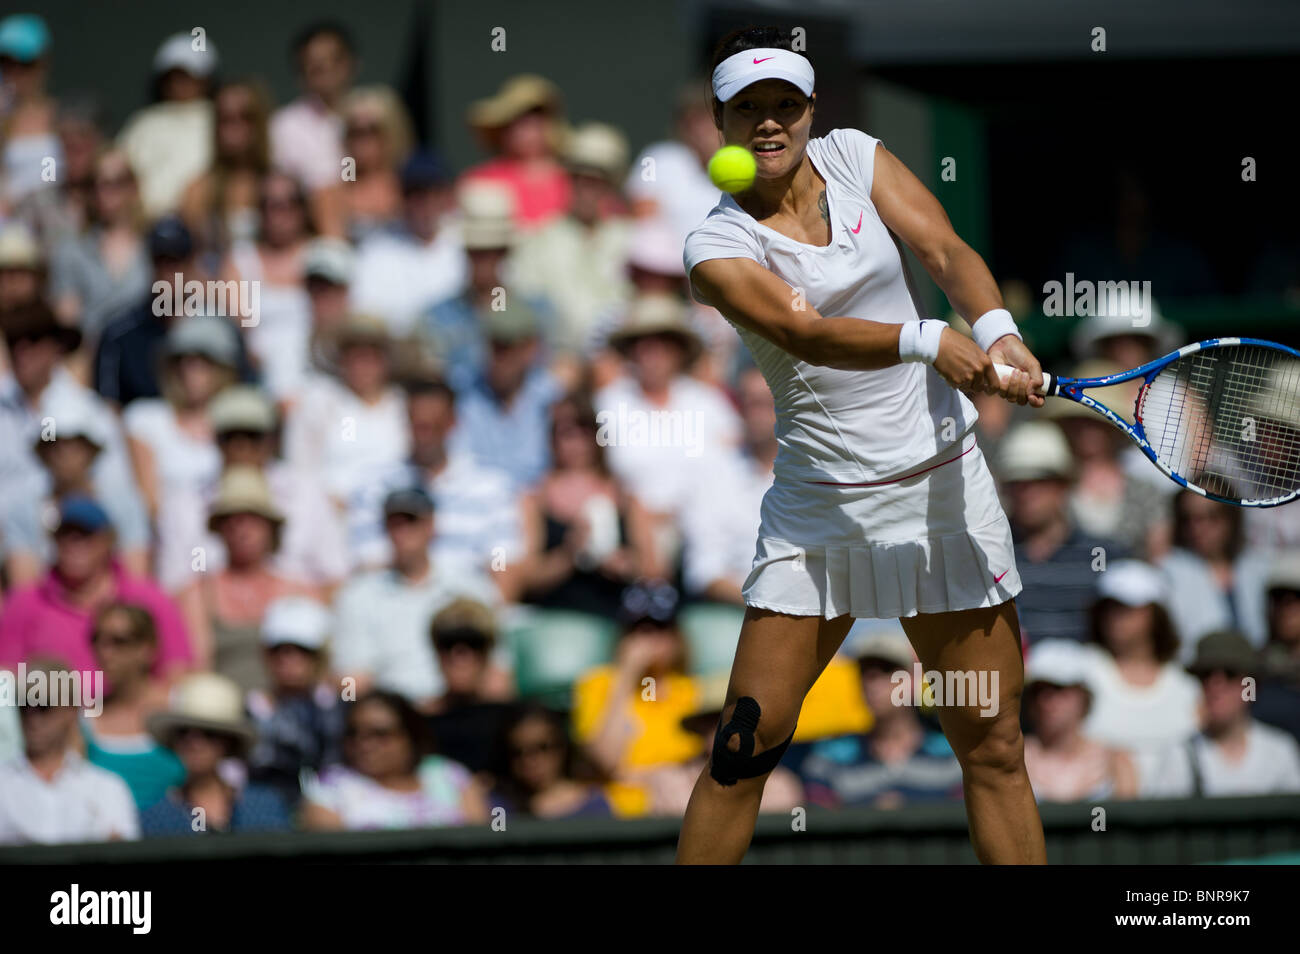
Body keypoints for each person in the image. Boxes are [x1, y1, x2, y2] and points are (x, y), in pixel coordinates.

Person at [676, 26, 1046, 865]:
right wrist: (927, 341)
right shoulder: (715, 246)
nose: (768, 124)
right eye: (748, 110)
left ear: (811, 111)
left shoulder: (854, 155)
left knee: (991, 744)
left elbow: (943, 248)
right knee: (744, 749)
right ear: (721, 122)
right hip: (823, 519)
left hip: (940, 499)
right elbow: (803, 333)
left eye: (784, 106)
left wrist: (998, 333)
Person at [158, 384, 348, 594]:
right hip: (214, 615)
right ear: (215, 440)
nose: (241, 447)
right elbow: (179, 583)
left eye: (252, 436)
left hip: (293, 612)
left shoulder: (305, 494)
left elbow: (333, 575)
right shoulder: (187, 503)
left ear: (271, 440)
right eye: (230, 437)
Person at [330, 487, 504, 707]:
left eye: (411, 521)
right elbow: (349, 683)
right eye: (394, 523)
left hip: (459, 710)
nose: (402, 532)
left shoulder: (474, 587)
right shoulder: (357, 595)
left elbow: (497, 674)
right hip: (392, 718)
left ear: (431, 526)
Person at [353, 377, 524, 592]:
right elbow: (368, 562)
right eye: (417, 426)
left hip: (465, 605)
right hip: (395, 602)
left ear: (452, 423)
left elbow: (502, 560)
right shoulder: (376, 486)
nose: (424, 437)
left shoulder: (489, 488)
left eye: (432, 427)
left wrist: (490, 597)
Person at [0, 496, 193, 678]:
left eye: (85, 534)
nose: (74, 542)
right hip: (51, 709)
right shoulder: (26, 602)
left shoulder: (149, 598)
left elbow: (176, 673)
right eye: (65, 534)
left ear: (108, 540)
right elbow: (5, 679)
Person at [516, 392, 661, 619]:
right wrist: (570, 553)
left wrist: (625, 566)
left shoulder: (626, 496)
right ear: (552, 439)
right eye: (566, 434)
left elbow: (654, 570)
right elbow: (524, 578)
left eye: (584, 432)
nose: (576, 443)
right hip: (558, 615)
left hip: (617, 614)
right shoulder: (534, 499)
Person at [175, 466, 319, 692]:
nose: (241, 530)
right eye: (232, 520)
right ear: (219, 529)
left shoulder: (299, 591)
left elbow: (315, 668)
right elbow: (196, 668)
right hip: (221, 714)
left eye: (252, 519)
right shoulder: (197, 593)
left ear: (270, 528)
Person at [571, 582, 703, 817]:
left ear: (675, 638)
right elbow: (605, 760)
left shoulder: (689, 691)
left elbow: (700, 765)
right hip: (617, 810)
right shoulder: (598, 684)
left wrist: (641, 775)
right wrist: (627, 674)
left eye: (659, 628)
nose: (649, 639)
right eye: (639, 629)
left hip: (681, 801)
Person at [796, 632, 963, 809]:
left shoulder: (953, 754)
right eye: (864, 671)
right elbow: (815, 825)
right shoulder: (828, 758)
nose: (872, 682)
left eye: (886, 669)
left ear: (913, 678)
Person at [1, 387, 150, 586]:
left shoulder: (124, 505)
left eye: (74, 444)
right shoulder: (24, 508)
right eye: (56, 444)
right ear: (43, 452)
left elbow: (135, 582)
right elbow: (24, 589)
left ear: (92, 451)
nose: (65, 454)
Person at [998, 421, 1128, 646]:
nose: (1027, 493)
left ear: (1064, 484)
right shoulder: (987, 556)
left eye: (1039, 480)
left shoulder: (1106, 555)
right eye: (1017, 482)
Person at [511, 122, 634, 356]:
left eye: (597, 180)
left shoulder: (632, 239)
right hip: (558, 365)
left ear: (611, 185)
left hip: (623, 365)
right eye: (579, 178)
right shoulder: (537, 240)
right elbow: (529, 311)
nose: (586, 188)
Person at [1139, 630, 1300, 797]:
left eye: (1229, 674)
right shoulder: (1179, 757)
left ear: (1251, 687)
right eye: (1205, 675)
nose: (1215, 686)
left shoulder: (1280, 753)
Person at [300, 690, 488, 830]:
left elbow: (480, 840)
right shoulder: (329, 789)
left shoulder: (450, 776)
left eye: (380, 734)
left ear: (411, 737)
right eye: (353, 733)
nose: (363, 744)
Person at [0, 658, 139, 844]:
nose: (32, 717)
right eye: (24, 706)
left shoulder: (108, 789)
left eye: (43, 706)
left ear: (71, 711)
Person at [140, 672, 292, 836]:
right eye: (184, 732)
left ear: (227, 741)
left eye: (208, 733)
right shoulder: (156, 818)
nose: (194, 743)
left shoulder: (265, 806)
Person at [284, 313, 409, 507]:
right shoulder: (322, 401)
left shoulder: (402, 406)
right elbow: (300, 468)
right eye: (353, 356)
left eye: (369, 357)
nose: (361, 366)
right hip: (332, 514)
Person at [123, 314, 238, 523]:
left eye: (202, 361)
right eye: (181, 361)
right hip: (170, 539)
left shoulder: (238, 424)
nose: (189, 371)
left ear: (222, 369)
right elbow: (149, 503)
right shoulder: (145, 419)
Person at [677, 365, 777, 605]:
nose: (755, 414)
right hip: (739, 607)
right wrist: (767, 605)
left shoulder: (814, 472)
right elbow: (704, 569)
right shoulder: (714, 472)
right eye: (748, 403)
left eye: (765, 403)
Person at [1079, 560, 1199, 754]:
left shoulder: (1186, 685)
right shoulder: (1080, 672)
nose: (1114, 616)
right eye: (1108, 607)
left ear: (1155, 614)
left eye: (1127, 607)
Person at [645, 672, 803, 816]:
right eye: (717, 719)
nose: (728, 728)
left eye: (738, 719)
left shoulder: (780, 784)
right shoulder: (669, 779)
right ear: (701, 726)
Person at [445, 301, 562, 491]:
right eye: (493, 345)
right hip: (475, 502)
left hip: (536, 503)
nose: (499, 357)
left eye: (508, 346)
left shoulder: (553, 396)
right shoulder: (460, 393)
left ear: (531, 348)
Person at [349, 150, 466, 338]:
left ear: (447, 195)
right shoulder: (376, 251)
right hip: (400, 357)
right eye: (416, 193)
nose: (426, 202)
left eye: (434, 191)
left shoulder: (467, 242)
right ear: (401, 197)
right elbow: (366, 317)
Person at [80, 604, 185, 811]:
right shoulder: (84, 718)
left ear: (147, 650)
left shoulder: (181, 707)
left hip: (174, 838)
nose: (104, 652)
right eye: (97, 640)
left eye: (118, 642)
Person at [245, 596, 345, 807]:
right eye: (279, 649)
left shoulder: (340, 709)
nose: (288, 658)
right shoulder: (247, 710)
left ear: (319, 656)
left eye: (302, 650)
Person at [49, 147, 152, 344]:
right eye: (96, 184)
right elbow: (67, 322)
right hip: (92, 355)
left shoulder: (153, 246)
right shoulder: (71, 251)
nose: (104, 192)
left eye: (116, 183)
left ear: (133, 187)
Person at [1020, 639, 1137, 802]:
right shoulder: (1013, 761)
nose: (1045, 700)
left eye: (1058, 688)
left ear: (1083, 695)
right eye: (1037, 691)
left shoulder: (1116, 762)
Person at [1158, 490, 1270, 659]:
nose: (1197, 528)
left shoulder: (1257, 567)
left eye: (1211, 516)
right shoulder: (1168, 572)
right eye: (1188, 519)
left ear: (1232, 518)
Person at [117, 32, 219, 217]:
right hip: (143, 223)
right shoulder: (143, 123)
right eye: (172, 76)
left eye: (187, 75)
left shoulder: (218, 118)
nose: (179, 83)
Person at [269, 22, 356, 237]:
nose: (324, 69)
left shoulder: (370, 115)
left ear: (350, 64)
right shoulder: (284, 125)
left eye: (332, 60)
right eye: (314, 64)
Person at [461, 74, 570, 230]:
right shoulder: (482, 180)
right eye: (519, 123)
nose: (529, 131)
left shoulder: (574, 180)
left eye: (536, 121)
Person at [179, 79, 272, 258]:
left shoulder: (279, 187)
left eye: (245, 118)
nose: (234, 128)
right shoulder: (198, 191)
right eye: (226, 120)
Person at [423, 597, 517, 776]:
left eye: (473, 643)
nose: (459, 656)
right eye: (447, 643)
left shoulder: (513, 722)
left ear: (488, 651)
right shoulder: (418, 726)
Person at [624, 79, 722, 248]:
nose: (699, 130)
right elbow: (641, 216)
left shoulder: (748, 165)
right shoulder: (656, 158)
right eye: (690, 121)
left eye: (706, 120)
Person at [489, 704, 614, 820]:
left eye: (543, 747)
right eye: (517, 752)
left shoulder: (594, 804)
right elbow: (496, 837)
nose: (530, 760)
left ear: (562, 747)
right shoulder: (500, 807)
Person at [0, 14, 59, 212]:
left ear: (42, 64)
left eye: (24, 64)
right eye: (6, 64)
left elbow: (49, 176)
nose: (14, 73)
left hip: (49, 216)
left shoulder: (58, 116)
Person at [337, 86, 412, 240]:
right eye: (354, 132)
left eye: (371, 130)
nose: (361, 141)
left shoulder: (407, 185)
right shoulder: (339, 187)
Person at [1255, 553, 1300, 741]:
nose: (1287, 609)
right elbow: (1240, 708)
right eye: (1279, 599)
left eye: (1296, 598)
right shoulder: (1251, 670)